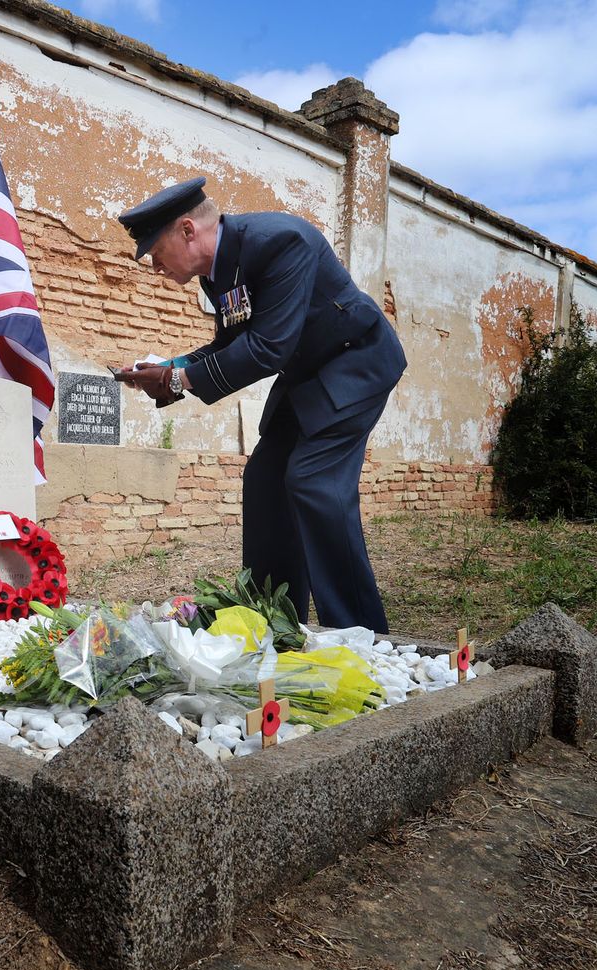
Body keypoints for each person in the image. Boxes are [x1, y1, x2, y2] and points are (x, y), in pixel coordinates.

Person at [111, 177, 406, 632]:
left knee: (314, 481)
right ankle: (275, 621)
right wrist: (166, 371)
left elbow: (269, 347)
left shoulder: (281, 241)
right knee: (265, 478)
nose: (155, 267)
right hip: (307, 375)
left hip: (356, 365)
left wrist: (179, 378)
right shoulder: (219, 273)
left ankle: (360, 633)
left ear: (188, 230)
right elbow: (231, 344)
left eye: (156, 251)